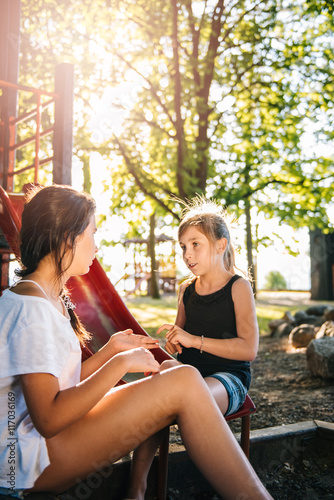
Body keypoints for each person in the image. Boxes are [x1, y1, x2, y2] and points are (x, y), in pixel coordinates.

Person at [0, 185, 272, 500]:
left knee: (178, 378)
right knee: (183, 379)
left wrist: (110, 350)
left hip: (38, 448)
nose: (97, 246)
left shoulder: (46, 297)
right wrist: (120, 363)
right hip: (25, 460)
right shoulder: (30, 309)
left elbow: (59, 385)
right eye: (93, 233)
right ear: (68, 238)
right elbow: (48, 419)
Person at [126, 197, 260, 500]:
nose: (187, 254)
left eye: (195, 244)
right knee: (159, 389)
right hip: (188, 373)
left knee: (179, 398)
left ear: (220, 245)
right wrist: (173, 341)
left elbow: (248, 350)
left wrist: (194, 340)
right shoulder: (186, 289)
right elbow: (179, 339)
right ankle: (136, 489)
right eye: (183, 246)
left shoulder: (238, 287)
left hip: (228, 379)